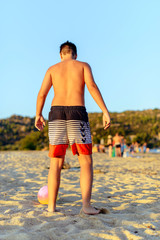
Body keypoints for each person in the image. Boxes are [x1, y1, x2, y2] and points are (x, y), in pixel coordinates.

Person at [35, 41, 110, 215]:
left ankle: (51, 207)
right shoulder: (83, 66)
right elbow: (91, 87)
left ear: (61, 55)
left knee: (56, 162)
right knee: (86, 162)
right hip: (77, 113)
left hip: (56, 113)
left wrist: (38, 114)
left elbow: (42, 94)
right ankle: (86, 206)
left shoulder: (52, 69)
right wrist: (105, 111)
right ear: (75, 54)